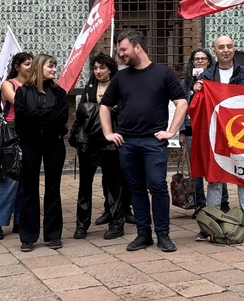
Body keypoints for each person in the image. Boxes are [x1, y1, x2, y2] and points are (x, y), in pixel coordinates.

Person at [100, 30, 188, 253]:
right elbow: (105, 106)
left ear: (137, 47)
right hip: (127, 143)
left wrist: (171, 131)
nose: (121, 54)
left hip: (153, 142)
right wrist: (108, 133)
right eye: (120, 50)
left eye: (124, 50)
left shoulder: (163, 73)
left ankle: (163, 235)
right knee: (136, 189)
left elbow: (181, 103)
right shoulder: (121, 76)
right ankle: (143, 234)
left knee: (157, 187)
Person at [194, 35, 244, 241]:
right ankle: (211, 220)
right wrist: (196, 92)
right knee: (215, 178)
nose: (226, 50)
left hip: (242, 135)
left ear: (234, 49)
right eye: (221, 47)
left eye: (229, 46)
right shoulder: (206, 77)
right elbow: (196, 108)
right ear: (214, 52)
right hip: (216, 136)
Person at [14, 54, 69, 251]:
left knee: (53, 189)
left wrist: (37, 116)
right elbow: (22, 117)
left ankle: (53, 235)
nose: (54, 70)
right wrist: (47, 115)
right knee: (29, 189)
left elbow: (61, 118)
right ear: (39, 67)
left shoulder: (59, 93)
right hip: (30, 144)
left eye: (55, 66)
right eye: (50, 66)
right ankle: (28, 237)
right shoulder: (23, 92)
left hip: (54, 143)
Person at [73, 52, 130, 240]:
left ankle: (116, 223)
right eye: (95, 68)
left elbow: (124, 109)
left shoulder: (119, 85)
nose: (98, 71)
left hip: (111, 141)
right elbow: (81, 110)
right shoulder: (90, 87)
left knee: (114, 183)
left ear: (110, 68)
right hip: (89, 141)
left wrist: (97, 110)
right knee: (84, 185)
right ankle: (81, 224)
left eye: (102, 67)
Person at [0, 52, 33, 240]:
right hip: (12, 133)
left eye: (32, 64)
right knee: (10, 178)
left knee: (26, 179)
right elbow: (19, 102)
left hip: (29, 132)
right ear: (17, 66)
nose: (30, 67)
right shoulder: (9, 84)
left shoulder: (34, 85)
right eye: (27, 64)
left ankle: (20, 220)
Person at [180, 48, 215, 215]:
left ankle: (222, 202)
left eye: (203, 58)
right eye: (196, 59)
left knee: (216, 165)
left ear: (209, 61)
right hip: (191, 129)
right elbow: (181, 107)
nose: (200, 61)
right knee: (196, 169)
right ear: (192, 63)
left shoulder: (216, 80)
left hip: (213, 129)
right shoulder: (186, 83)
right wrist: (181, 131)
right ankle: (200, 203)